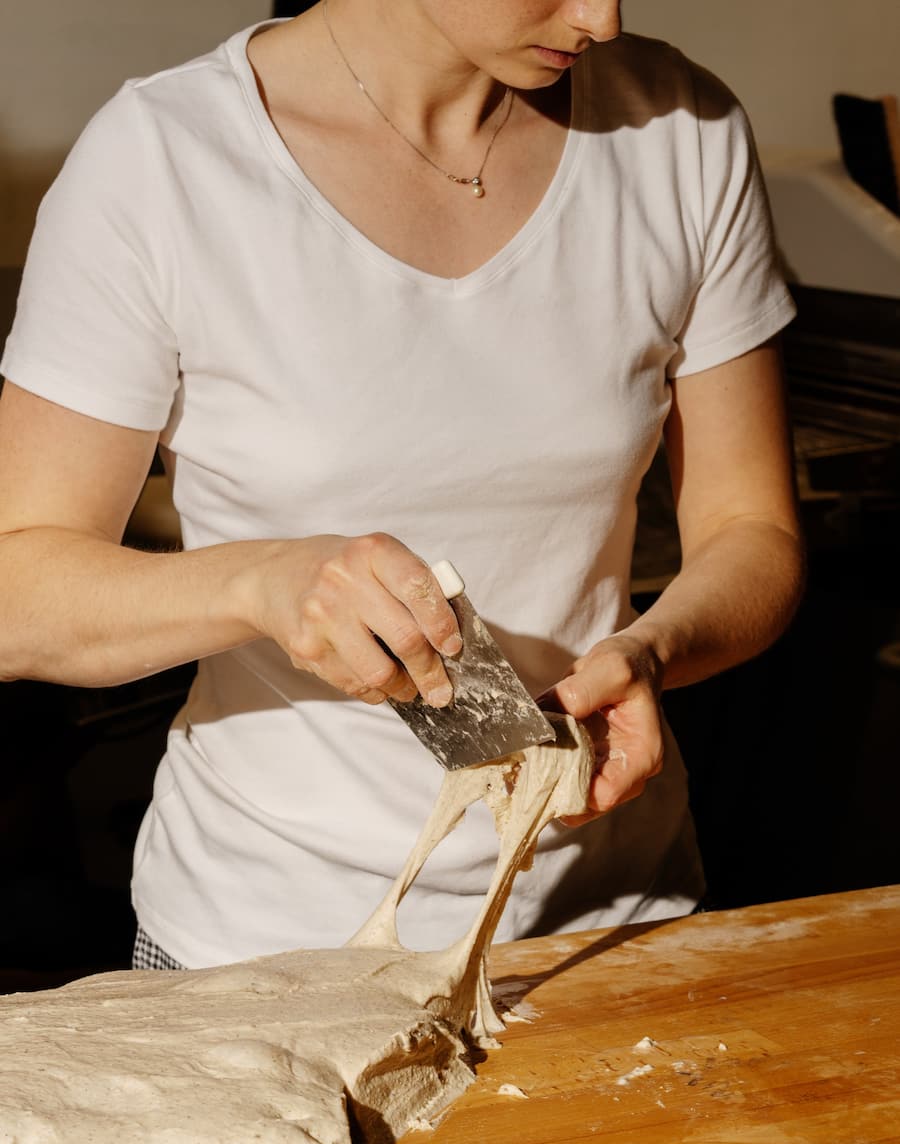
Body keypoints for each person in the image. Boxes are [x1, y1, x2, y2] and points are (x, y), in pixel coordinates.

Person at [0, 1, 804, 971]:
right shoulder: (163, 163)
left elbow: (751, 525)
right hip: (269, 952)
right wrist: (262, 584)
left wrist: (655, 650)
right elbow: (18, 595)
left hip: (613, 924)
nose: (602, 15)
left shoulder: (680, 130)